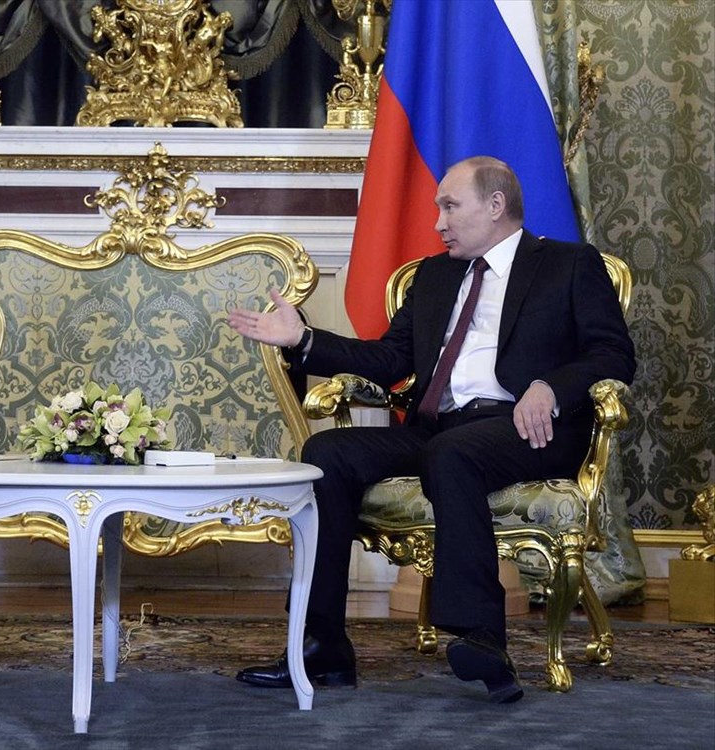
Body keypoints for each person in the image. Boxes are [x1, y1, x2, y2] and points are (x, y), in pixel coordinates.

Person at [227, 155, 635, 703]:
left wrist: (551, 387)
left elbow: (614, 353)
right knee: (327, 452)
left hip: (523, 428)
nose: (438, 222)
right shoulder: (435, 274)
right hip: (439, 427)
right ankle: (321, 645)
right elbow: (389, 359)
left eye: (450, 206)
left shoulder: (569, 264)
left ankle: (483, 637)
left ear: (496, 205)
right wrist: (304, 340)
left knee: (452, 453)